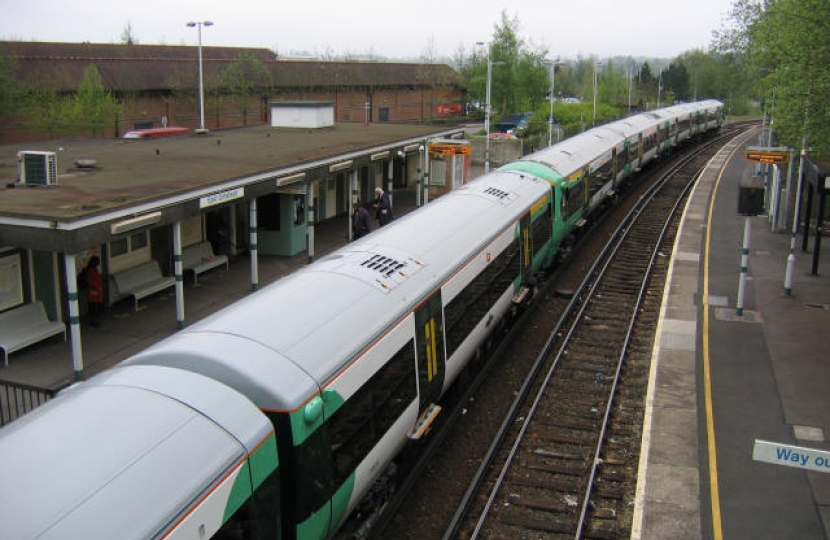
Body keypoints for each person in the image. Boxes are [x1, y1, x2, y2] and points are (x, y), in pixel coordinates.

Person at [85, 256, 103, 328]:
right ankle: (93, 321)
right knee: (93, 307)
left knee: (95, 307)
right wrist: (97, 288)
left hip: (96, 291)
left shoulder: (94, 270)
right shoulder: (91, 271)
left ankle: (94, 320)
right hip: (93, 292)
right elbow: (90, 281)